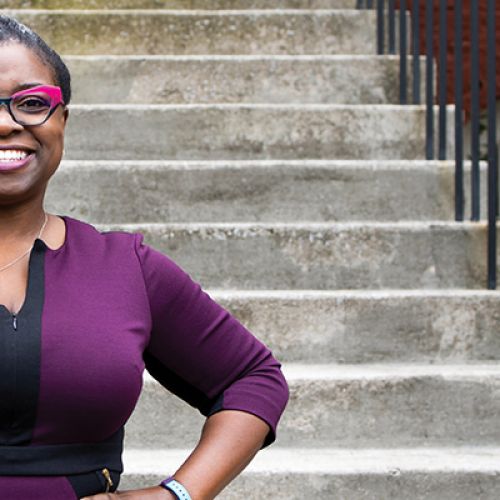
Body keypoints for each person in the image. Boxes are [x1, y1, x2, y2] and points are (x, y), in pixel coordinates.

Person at [0, 15, 289, 500]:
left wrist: (177, 494)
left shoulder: (122, 267)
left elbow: (253, 377)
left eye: (31, 104)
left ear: (62, 120)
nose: (6, 123)